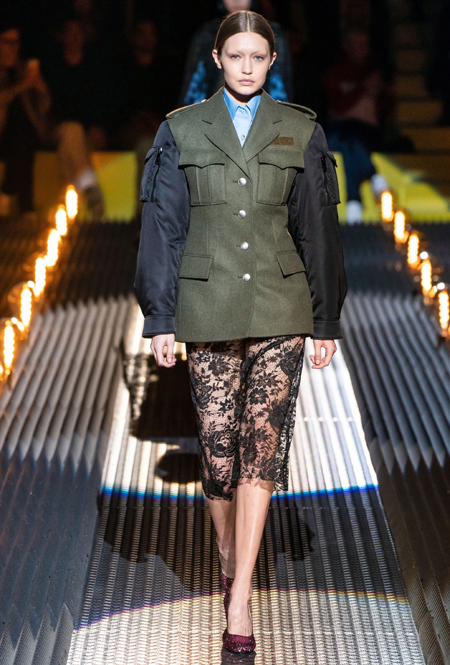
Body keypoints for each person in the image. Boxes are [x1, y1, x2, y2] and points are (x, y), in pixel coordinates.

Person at [135, 10, 346, 654]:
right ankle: (229, 553)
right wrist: (160, 317)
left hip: (281, 305)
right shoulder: (181, 129)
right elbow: (163, 227)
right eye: (237, 56)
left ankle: (241, 596)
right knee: (219, 457)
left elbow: (318, 229)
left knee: (261, 450)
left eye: (258, 57)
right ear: (217, 59)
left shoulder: (300, 129)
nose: (247, 67)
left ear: (272, 61)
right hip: (208, 304)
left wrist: (325, 319)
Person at [179, 0, 293, 106]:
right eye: (235, 56)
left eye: (258, 57)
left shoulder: (273, 34)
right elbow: (195, 84)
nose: (236, 1)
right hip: (215, 112)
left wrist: (279, 115)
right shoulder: (207, 34)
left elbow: (280, 83)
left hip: (262, 111)